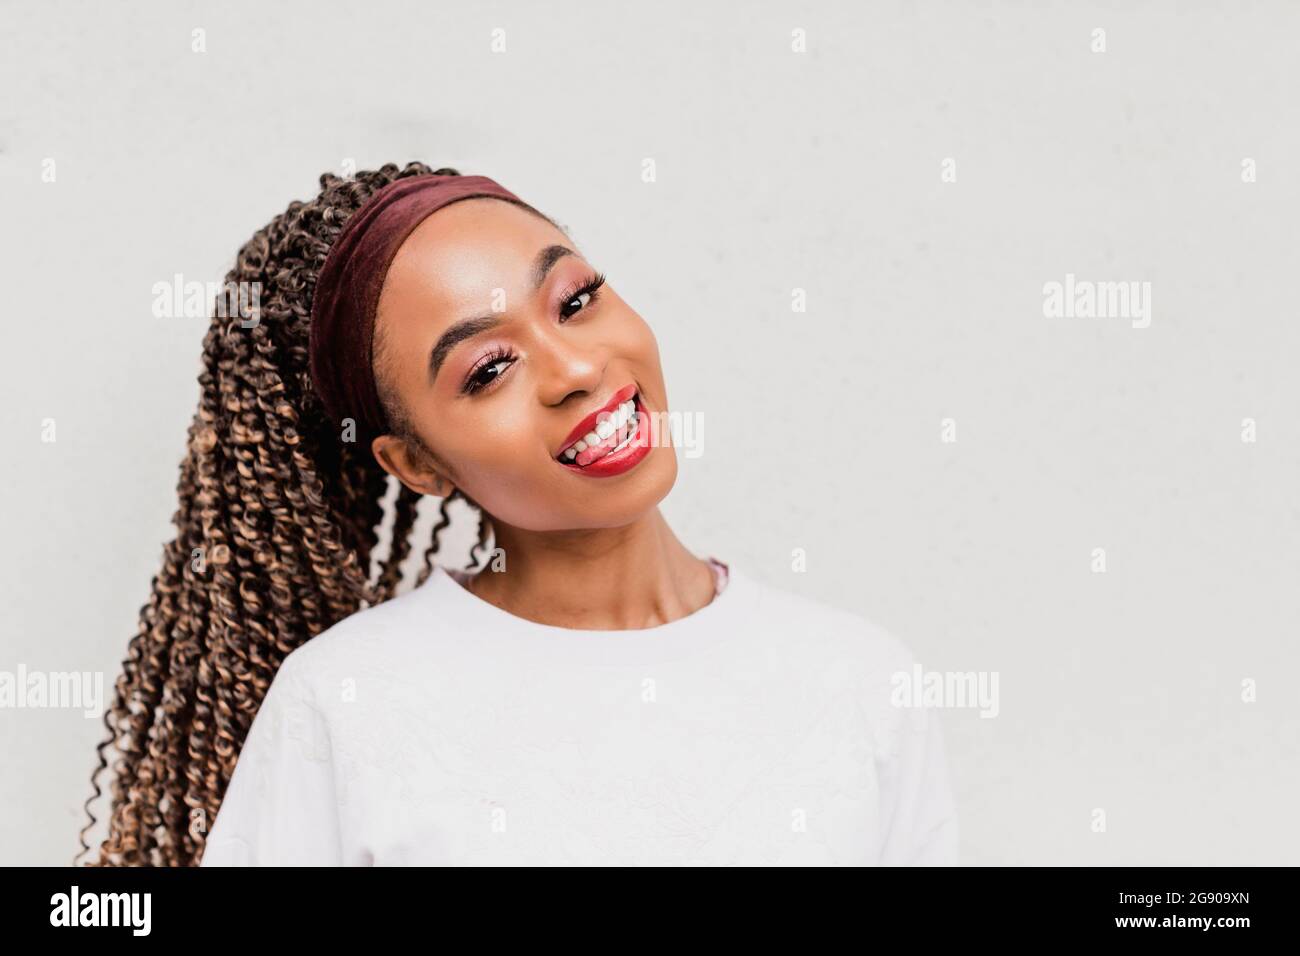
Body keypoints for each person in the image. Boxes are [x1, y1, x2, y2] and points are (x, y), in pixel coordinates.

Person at [79, 163, 958, 866]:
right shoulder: (345, 705)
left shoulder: (863, 683)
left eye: (576, 300)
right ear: (417, 464)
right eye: (488, 369)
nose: (575, 368)